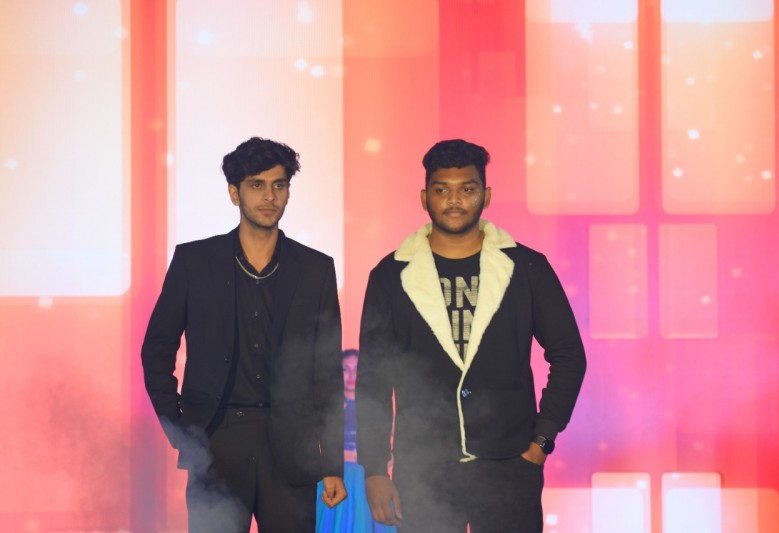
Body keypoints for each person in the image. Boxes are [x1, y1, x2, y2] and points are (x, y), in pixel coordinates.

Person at [356, 139, 586, 532]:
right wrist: (374, 468)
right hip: (423, 468)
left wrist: (541, 441)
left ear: (486, 195)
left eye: (467, 188)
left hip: (510, 464)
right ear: (424, 197)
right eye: (441, 189)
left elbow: (568, 354)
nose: (454, 200)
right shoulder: (390, 275)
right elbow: (374, 379)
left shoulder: (526, 267)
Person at [141, 137, 346, 532]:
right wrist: (181, 430)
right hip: (216, 443)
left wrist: (332, 462)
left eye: (279, 185)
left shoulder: (315, 269)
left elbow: (327, 373)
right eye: (257, 185)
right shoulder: (194, 261)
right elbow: (157, 349)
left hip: (291, 448)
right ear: (234, 193)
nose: (270, 196)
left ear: (288, 192)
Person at [315, 349, 397, 533]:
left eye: (356, 369)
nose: (352, 375)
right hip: (335, 477)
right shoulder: (327, 409)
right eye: (345, 369)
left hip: (368, 477)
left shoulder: (376, 408)